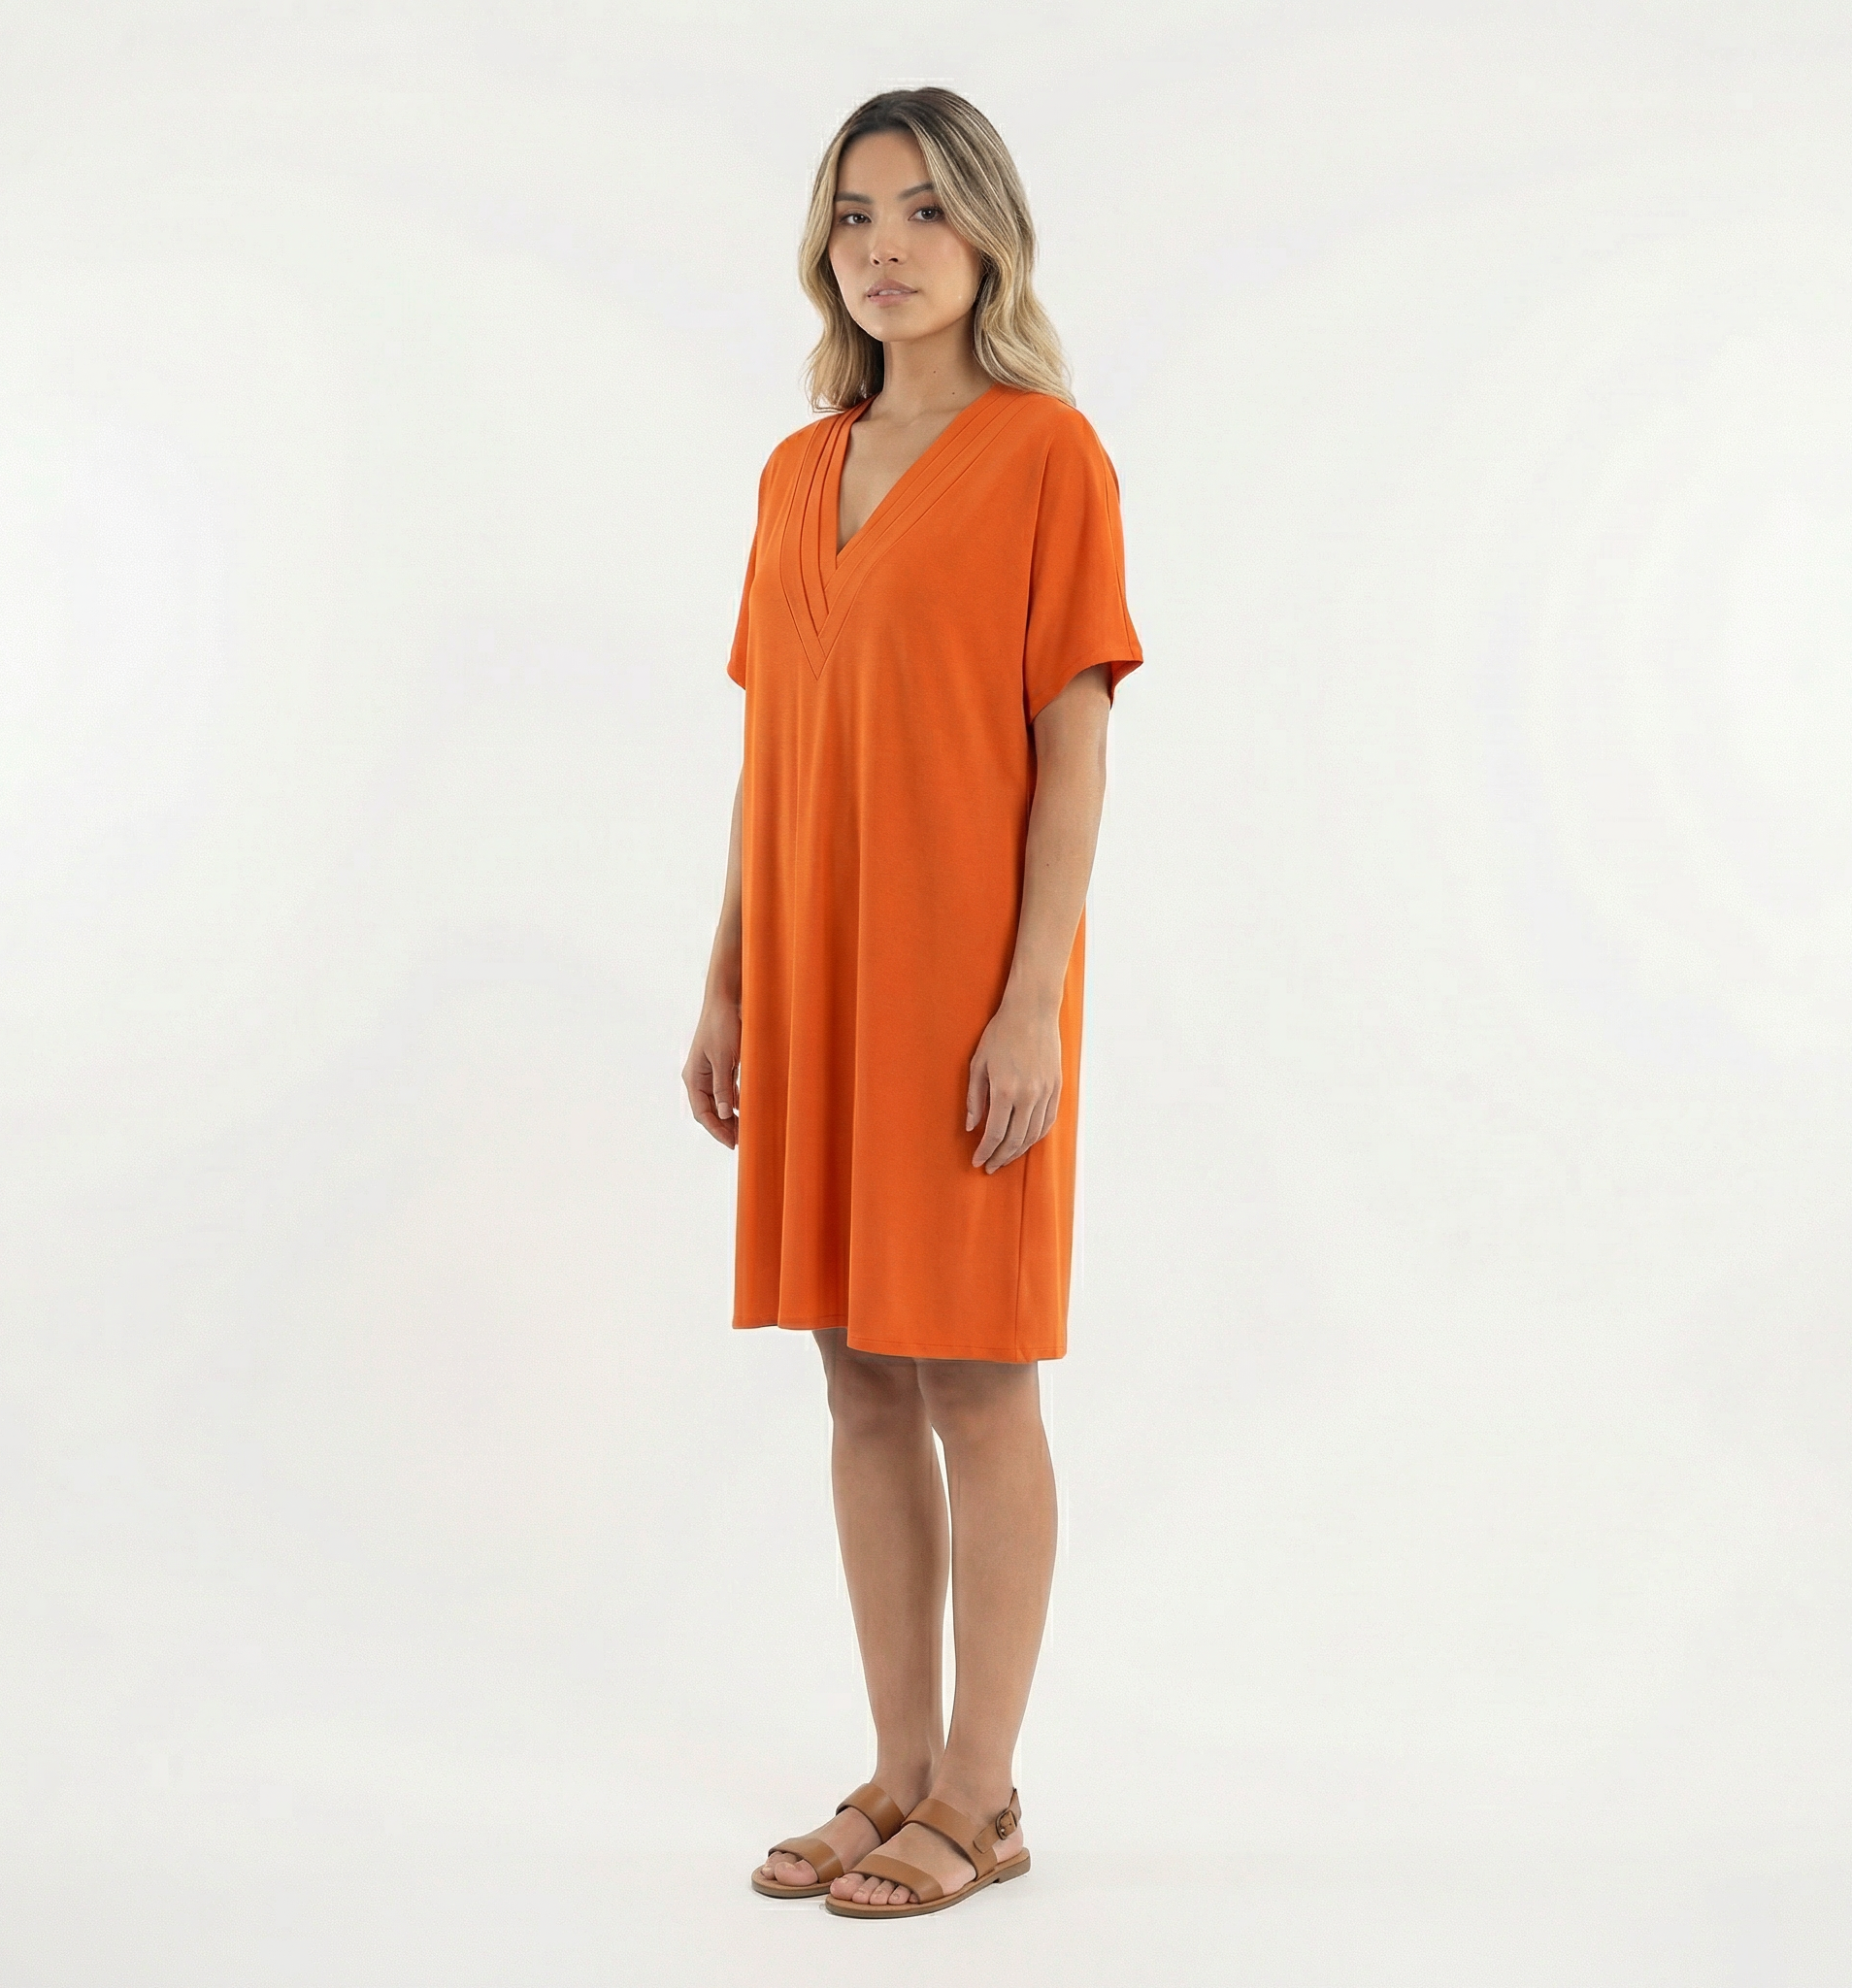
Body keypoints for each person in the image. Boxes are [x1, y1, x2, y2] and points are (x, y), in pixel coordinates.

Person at [681, 85, 1143, 1921]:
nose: (887, 248)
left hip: (961, 983)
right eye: (856, 214)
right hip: (811, 973)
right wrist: (727, 976)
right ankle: (894, 1773)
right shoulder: (797, 472)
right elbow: (772, 748)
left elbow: (1073, 740)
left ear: (990, 237)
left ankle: (980, 1792)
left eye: (926, 211)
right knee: (859, 1372)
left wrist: (1032, 1005)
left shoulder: (1048, 456)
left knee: (975, 1372)